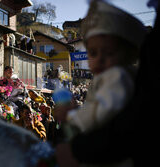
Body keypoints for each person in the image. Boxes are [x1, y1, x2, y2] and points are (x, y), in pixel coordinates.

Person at [55, 0, 147, 166]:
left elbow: (105, 109)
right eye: (93, 53)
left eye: (109, 53)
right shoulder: (105, 77)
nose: (99, 59)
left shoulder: (117, 76)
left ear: (128, 54)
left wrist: (73, 116)